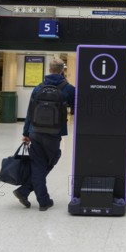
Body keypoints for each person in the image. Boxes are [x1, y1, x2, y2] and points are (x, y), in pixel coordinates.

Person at [13, 59, 75, 211]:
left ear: (49, 69)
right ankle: (43, 200)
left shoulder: (38, 87)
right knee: (47, 162)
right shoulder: (68, 88)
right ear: (62, 71)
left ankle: (25, 191)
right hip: (54, 133)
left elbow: (30, 111)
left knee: (38, 163)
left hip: (35, 131)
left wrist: (26, 132)